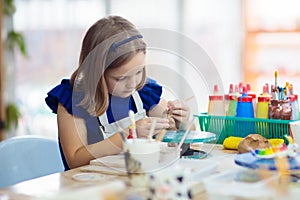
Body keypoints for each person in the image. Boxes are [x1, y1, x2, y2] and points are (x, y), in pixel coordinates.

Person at [45, 15, 190, 170]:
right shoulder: (73, 99)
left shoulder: (144, 92)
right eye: (121, 78)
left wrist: (182, 122)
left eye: (138, 72)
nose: (133, 83)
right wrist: (126, 136)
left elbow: (175, 133)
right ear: (97, 73)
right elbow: (75, 159)